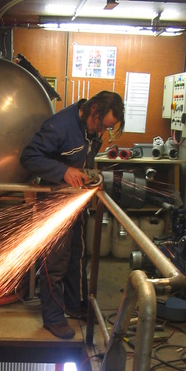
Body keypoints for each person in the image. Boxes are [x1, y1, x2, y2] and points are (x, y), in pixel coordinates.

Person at [20, 91, 125, 339]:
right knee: (55, 263)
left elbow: (82, 155)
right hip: (54, 203)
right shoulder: (59, 126)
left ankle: (73, 304)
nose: (100, 132)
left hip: (74, 201)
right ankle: (53, 318)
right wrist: (64, 171)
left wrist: (87, 176)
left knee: (76, 256)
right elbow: (29, 157)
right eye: (101, 125)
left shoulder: (90, 128)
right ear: (93, 110)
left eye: (106, 130)